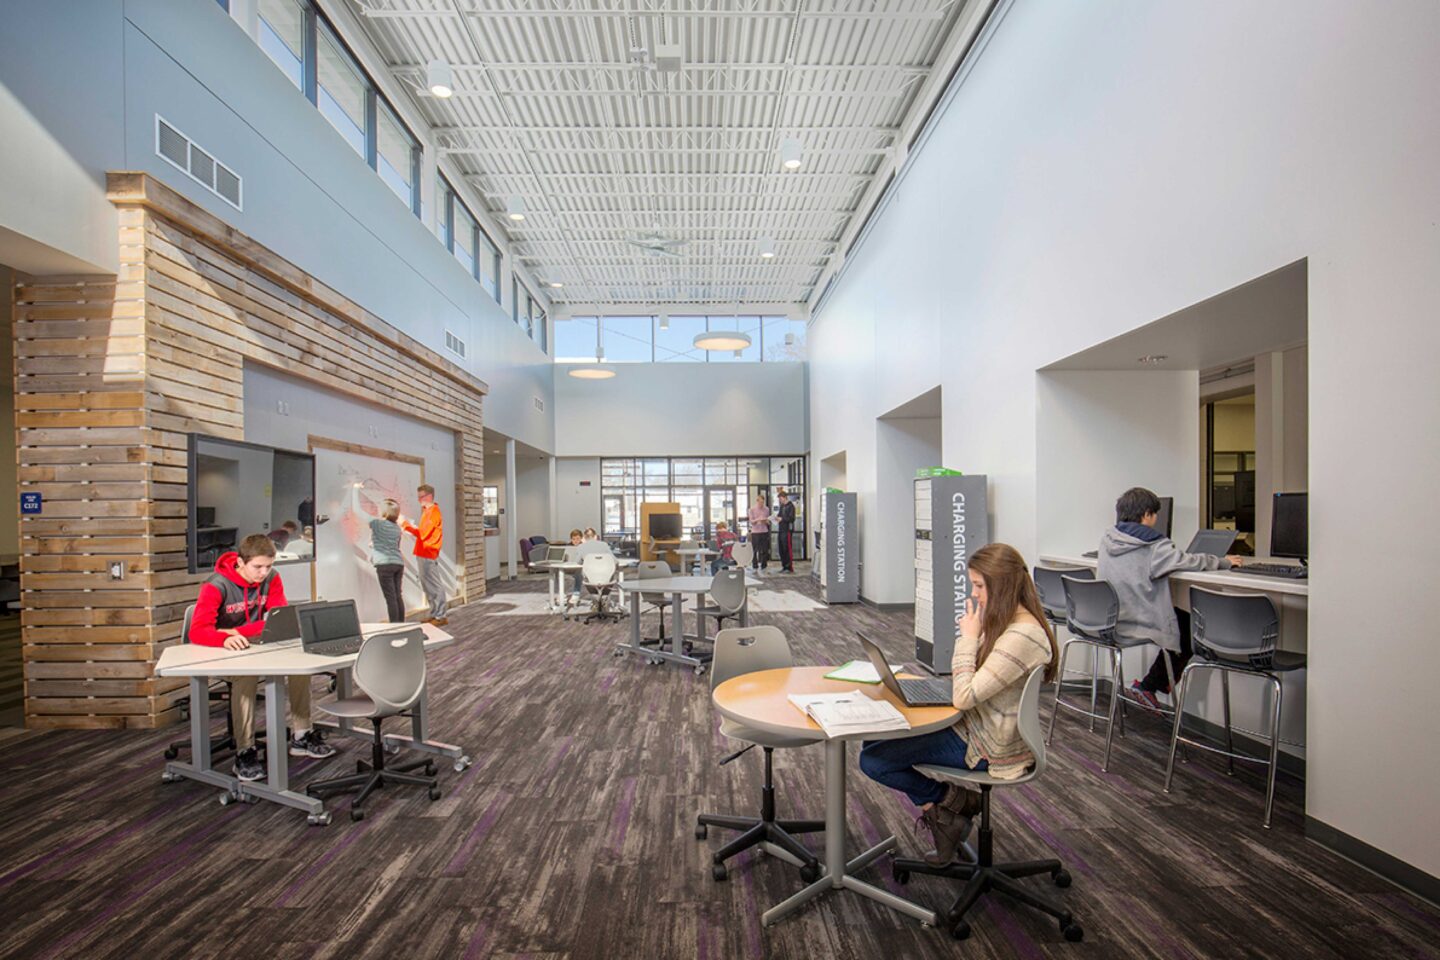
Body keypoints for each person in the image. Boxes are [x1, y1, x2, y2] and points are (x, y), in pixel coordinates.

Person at [859, 543, 1058, 865]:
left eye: (979, 585)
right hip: (974, 724)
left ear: (1002, 584)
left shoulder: (1023, 637)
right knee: (875, 735)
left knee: (874, 761)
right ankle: (949, 809)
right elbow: (970, 686)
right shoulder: (1008, 623)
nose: (975, 594)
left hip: (989, 746)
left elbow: (964, 695)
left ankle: (951, 804)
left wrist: (968, 637)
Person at [189, 533, 336, 782]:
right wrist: (224, 637)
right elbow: (197, 631)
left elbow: (281, 619)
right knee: (245, 678)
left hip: (257, 645)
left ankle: (301, 736)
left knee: (300, 668)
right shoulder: (216, 585)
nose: (263, 573)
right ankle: (245, 751)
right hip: (224, 652)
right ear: (240, 562)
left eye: (268, 566)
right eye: (257, 567)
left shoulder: (272, 578)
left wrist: (238, 630)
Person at [1098, 487, 1243, 709]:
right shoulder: (1154, 545)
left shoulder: (1108, 538)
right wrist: (1223, 562)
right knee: (1187, 628)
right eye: (1155, 514)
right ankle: (1148, 687)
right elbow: (1188, 561)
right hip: (1138, 620)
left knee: (1181, 622)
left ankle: (1148, 686)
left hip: (1111, 619)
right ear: (1147, 514)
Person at [401, 484, 447, 626]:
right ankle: (435, 614)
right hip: (423, 552)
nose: (419, 500)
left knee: (434, 585)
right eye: (418, 497)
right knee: (427, 585)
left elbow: (422, 533)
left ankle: (440, 615)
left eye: (421, 497)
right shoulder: (427, 511)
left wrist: (404, 524)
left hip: (428, 552)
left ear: (429, 496)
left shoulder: (433, 512)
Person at [370, 500, 406, 623]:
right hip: (398, 564)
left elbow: (358, 511)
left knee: (390, 598)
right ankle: (401, 624)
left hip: (384, 565)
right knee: (397, 596)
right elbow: (393, 545)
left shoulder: (377, 524)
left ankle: (394, 626)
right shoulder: (397, 528)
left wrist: (354, 489)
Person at [747, 493, 772, 571]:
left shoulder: (767, 509)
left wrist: (766, 521)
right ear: (757, 501)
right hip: (755, 532)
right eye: (760, 502)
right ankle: (755, 564)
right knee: (755, 549)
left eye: (762, 502)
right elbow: (751, 521)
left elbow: (768, 520)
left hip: (764, 531)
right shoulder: (752, 509)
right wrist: (758, 520)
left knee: (765, 549)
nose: (761, 504)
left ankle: (764, 564)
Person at [775, 490, 797, 573]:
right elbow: (779, 515)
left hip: (787, 530)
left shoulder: (791, 506)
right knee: (781, 548)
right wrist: (776, 518)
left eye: (780, 499)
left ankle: (789, 567)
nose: (780, 501)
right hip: (781, 529)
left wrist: (782, 519)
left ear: (784, 497)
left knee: (787, 548)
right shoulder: (782, 506)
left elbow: (792, 519)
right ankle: (784, 566)